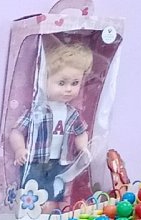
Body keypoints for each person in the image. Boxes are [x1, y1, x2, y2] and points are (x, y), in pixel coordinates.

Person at [8, 39, 93, 207]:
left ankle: (51, 214)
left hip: (60, 162)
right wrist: (19, 149)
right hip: (35, 160)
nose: (69, 89)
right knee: (31, 192)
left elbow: (81, 132)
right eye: (61, 83)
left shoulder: (72, 113)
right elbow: (17, 131)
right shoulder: (37, 110)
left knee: (55, 193)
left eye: (75, 83)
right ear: (43, 80)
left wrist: (83, 148)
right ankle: (31, 213)